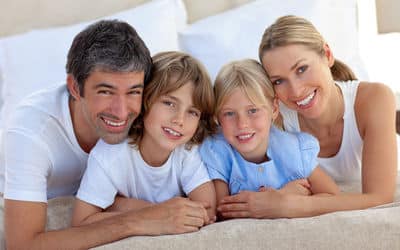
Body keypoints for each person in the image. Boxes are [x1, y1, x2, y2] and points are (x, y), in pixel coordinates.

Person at [0, 20, 208, 250]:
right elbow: (22, 245)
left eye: (133, 92)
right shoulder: (31, 133)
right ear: (75, 88)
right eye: (106, 91)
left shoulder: (155, 121)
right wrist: (141, 220)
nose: (121, 112)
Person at [220, 14, 398, 218]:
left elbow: (379, 198)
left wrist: (291, 205)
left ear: (328, 54)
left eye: (302, 69)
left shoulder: (374, 99)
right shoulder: (273, 118)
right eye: (278, 81)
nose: (296, 91)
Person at [72, 51, 217, 227]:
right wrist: (154, 213)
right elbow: (82, 222)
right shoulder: (109, 155)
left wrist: (120, 205)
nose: (179, 120)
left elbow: (207, 212)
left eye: (192, 112)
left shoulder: (187, 152)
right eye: (169, 103)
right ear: (144, 101)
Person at [199, 59, 339, 220]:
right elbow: (221, 211)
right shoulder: (216, 151)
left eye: (252, 110)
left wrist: (285, 201)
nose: (242, 124)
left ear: (274, 109)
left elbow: (332, 195)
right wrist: (285, 194)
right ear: (217, 117)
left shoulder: (294, 149)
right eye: (229, 113)